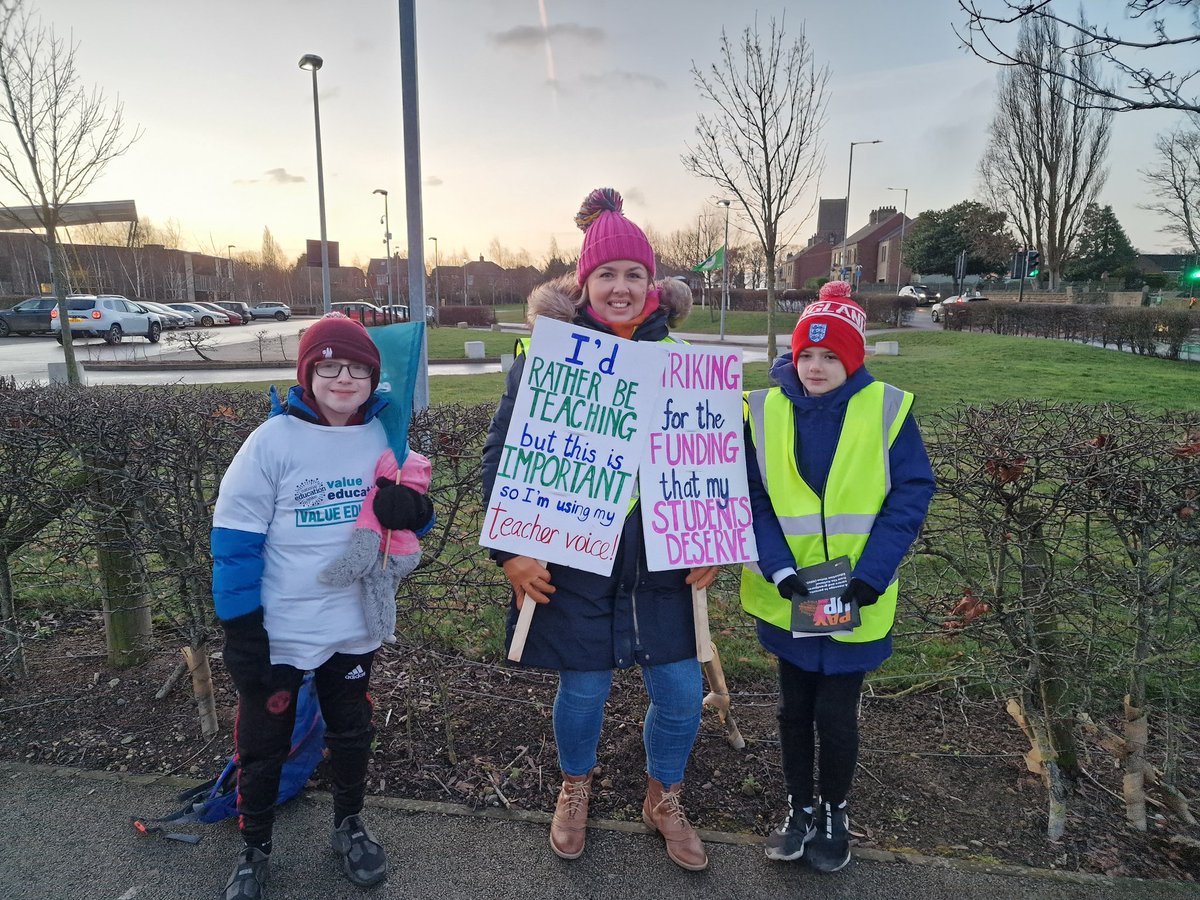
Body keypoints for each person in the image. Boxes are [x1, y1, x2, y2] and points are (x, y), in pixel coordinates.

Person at [481, 188, 718, 871]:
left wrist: (710, 541)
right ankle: (574, 788)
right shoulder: (547, 357)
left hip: (660, 561)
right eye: (607, 274)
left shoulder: (685, 361)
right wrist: (510, 553)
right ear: (584, 283)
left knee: (679, 694)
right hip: (576, 557)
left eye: (634, 274)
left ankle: (662, 797)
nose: (621, 287)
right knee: (582, 690)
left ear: (654, 283)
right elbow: (502, 456)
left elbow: (721, 453)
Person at [211, 313, 434, 899]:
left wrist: (415, 514)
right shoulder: (272, 441)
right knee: (263, 744)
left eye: (356, 369)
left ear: (372, 378)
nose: (343, 379)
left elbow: (411, 512)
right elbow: (234, 542)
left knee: (352, 731)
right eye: (329, 367)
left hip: (352, 625)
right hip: (281, 629)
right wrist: (240, 629)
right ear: (308, 375)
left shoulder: (385, 436)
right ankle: (254, 848)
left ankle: (349, 825)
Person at [739, 281, 935, 873]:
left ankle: (834, 810)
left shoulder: (887, 409)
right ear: (792, 357)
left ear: (852, 360)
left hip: (857, 596)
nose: (816, 367)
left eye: (830, 356)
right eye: (806, 355)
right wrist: (778, 569)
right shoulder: (764, 410)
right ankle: (798, 809)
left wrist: (873, 573)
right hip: (790, 595)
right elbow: (753, 498)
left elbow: (910, 493)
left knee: (836, 714)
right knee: (792, 711)